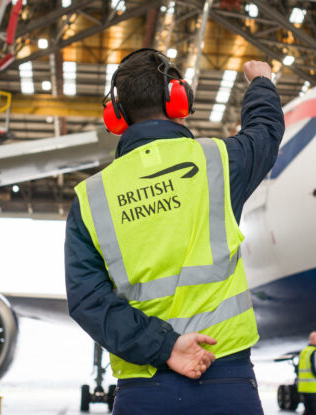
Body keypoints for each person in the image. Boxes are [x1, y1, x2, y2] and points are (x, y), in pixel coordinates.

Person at [64, 48, 284, 415]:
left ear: (116, 115)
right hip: (225, 376)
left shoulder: (91, 198)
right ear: (178, 100)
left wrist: (165, 347)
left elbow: (88, 301)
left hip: (143, 388)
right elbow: (265, 132)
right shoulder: (218, 161)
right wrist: (261, 83)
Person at [298, 331, 316, 415]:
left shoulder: (304, 352)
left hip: (305, 389)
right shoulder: (314, 352)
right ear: (313, 340)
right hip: (315, 390)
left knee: (308, 412)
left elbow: (298, 370)